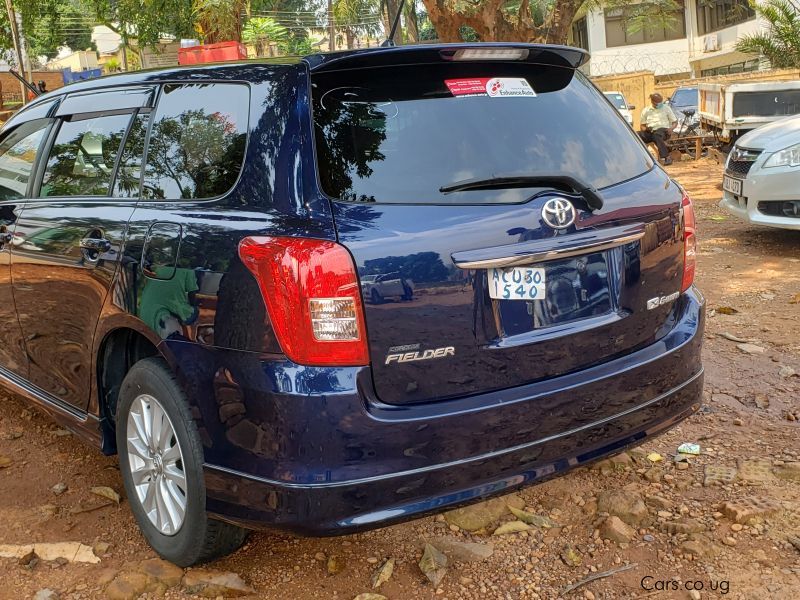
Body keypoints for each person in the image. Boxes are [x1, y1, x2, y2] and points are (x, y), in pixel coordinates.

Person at [638, 93, 677, 166]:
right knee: (636, 135)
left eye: (661, 102)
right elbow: (642, 126)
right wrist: (646, 129)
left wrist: (671, 128)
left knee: (657, 135)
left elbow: (675, 122)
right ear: (652, 102)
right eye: (658, 103)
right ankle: (638, 158)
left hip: (664, 131)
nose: (660, 104)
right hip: (650, 132)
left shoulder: (666, 108)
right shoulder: (646, 110)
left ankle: (667, 157)